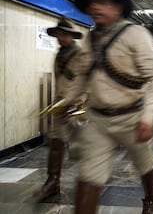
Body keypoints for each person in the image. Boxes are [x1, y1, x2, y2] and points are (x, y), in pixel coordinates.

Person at [68, 0, 153, 214]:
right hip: (98, 120)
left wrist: (147, 118)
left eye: (102, 2)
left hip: (132, 117)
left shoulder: (135, 34)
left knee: (146, 165)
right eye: (92, 3)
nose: (95, 7)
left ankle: (151, 200)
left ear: (118, 8)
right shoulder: (90, 38)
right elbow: (82, 74)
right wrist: (67, 101)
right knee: (88, 176)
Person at [33, 17, 85, 200]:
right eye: (58, 34)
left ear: (72, 36)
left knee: (83, 148)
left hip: (77, 107)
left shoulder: (79, 55)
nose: (60, 38)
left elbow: (84, 82)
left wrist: (74, 104)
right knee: (56, 142)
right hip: (60, 104)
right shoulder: (59, 54)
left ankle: (90, 184)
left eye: (64, 34)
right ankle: (53, 181)